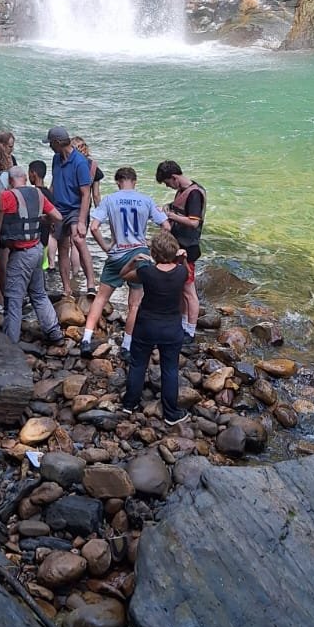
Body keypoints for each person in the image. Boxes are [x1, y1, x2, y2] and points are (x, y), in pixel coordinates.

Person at [80, 167, 169, 357]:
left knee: (101, 297)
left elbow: (94, 227)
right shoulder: (146, 200)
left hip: (117, 255)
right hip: (139, 254)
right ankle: (127, 346)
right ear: (134, 181)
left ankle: (86, 339)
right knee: (134, 304)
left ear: (118, 182)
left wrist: (106, 247)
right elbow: (166, 226)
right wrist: (151, 244)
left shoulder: (110, 200)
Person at [118, 230, 189, 427]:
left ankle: (129, 404)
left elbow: (122, 275)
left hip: (146, 325)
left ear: (153, 253)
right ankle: (171, 413)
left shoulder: (146, 272)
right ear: (174, 251)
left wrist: (133, 261)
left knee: (138, 364)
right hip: (171, 328)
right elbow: (186, 273)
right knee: (170, 369)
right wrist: (183, 259)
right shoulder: (181, 272)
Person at [0, 167, 64, 345]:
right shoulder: (38, 194)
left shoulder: (7, 196)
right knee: (39, 293)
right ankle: (54, 332)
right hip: (37, 250)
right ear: (25, 178)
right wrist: (43, 220)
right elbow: (58, 216)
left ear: (10, 181)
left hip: (21, 254)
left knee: (13, 299)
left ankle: (10, 343)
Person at [155, 160, 207, 340]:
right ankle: (183, 324)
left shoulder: (194, 194)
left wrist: (170, 215)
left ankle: (190, 331)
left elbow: (193, 222)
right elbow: (180, 208)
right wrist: (167, 208)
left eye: (167, 183)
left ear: (175, 178)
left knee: (188, 291)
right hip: (178, 246)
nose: (168, 186)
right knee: (181, 290)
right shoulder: (183, 190)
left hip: (188, 248)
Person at [47, 126, 95, 296]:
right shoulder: (56, 159)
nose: (50, 146)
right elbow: (54, 184)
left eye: (50, 143)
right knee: (62, 247)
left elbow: (86, 193)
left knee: (79, 240)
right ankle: (67, 288)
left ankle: (91, 284)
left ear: (57, 142)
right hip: (59, 209)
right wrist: (49, 209)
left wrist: (82, 221)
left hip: (75, 208)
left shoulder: (80, 162)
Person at [28, 159, 58, 270]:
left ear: (33, 173)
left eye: (29, 173)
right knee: (41, 268)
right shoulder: (49, 194)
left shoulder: (34, 193)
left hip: (35, 239)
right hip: (45, 238)